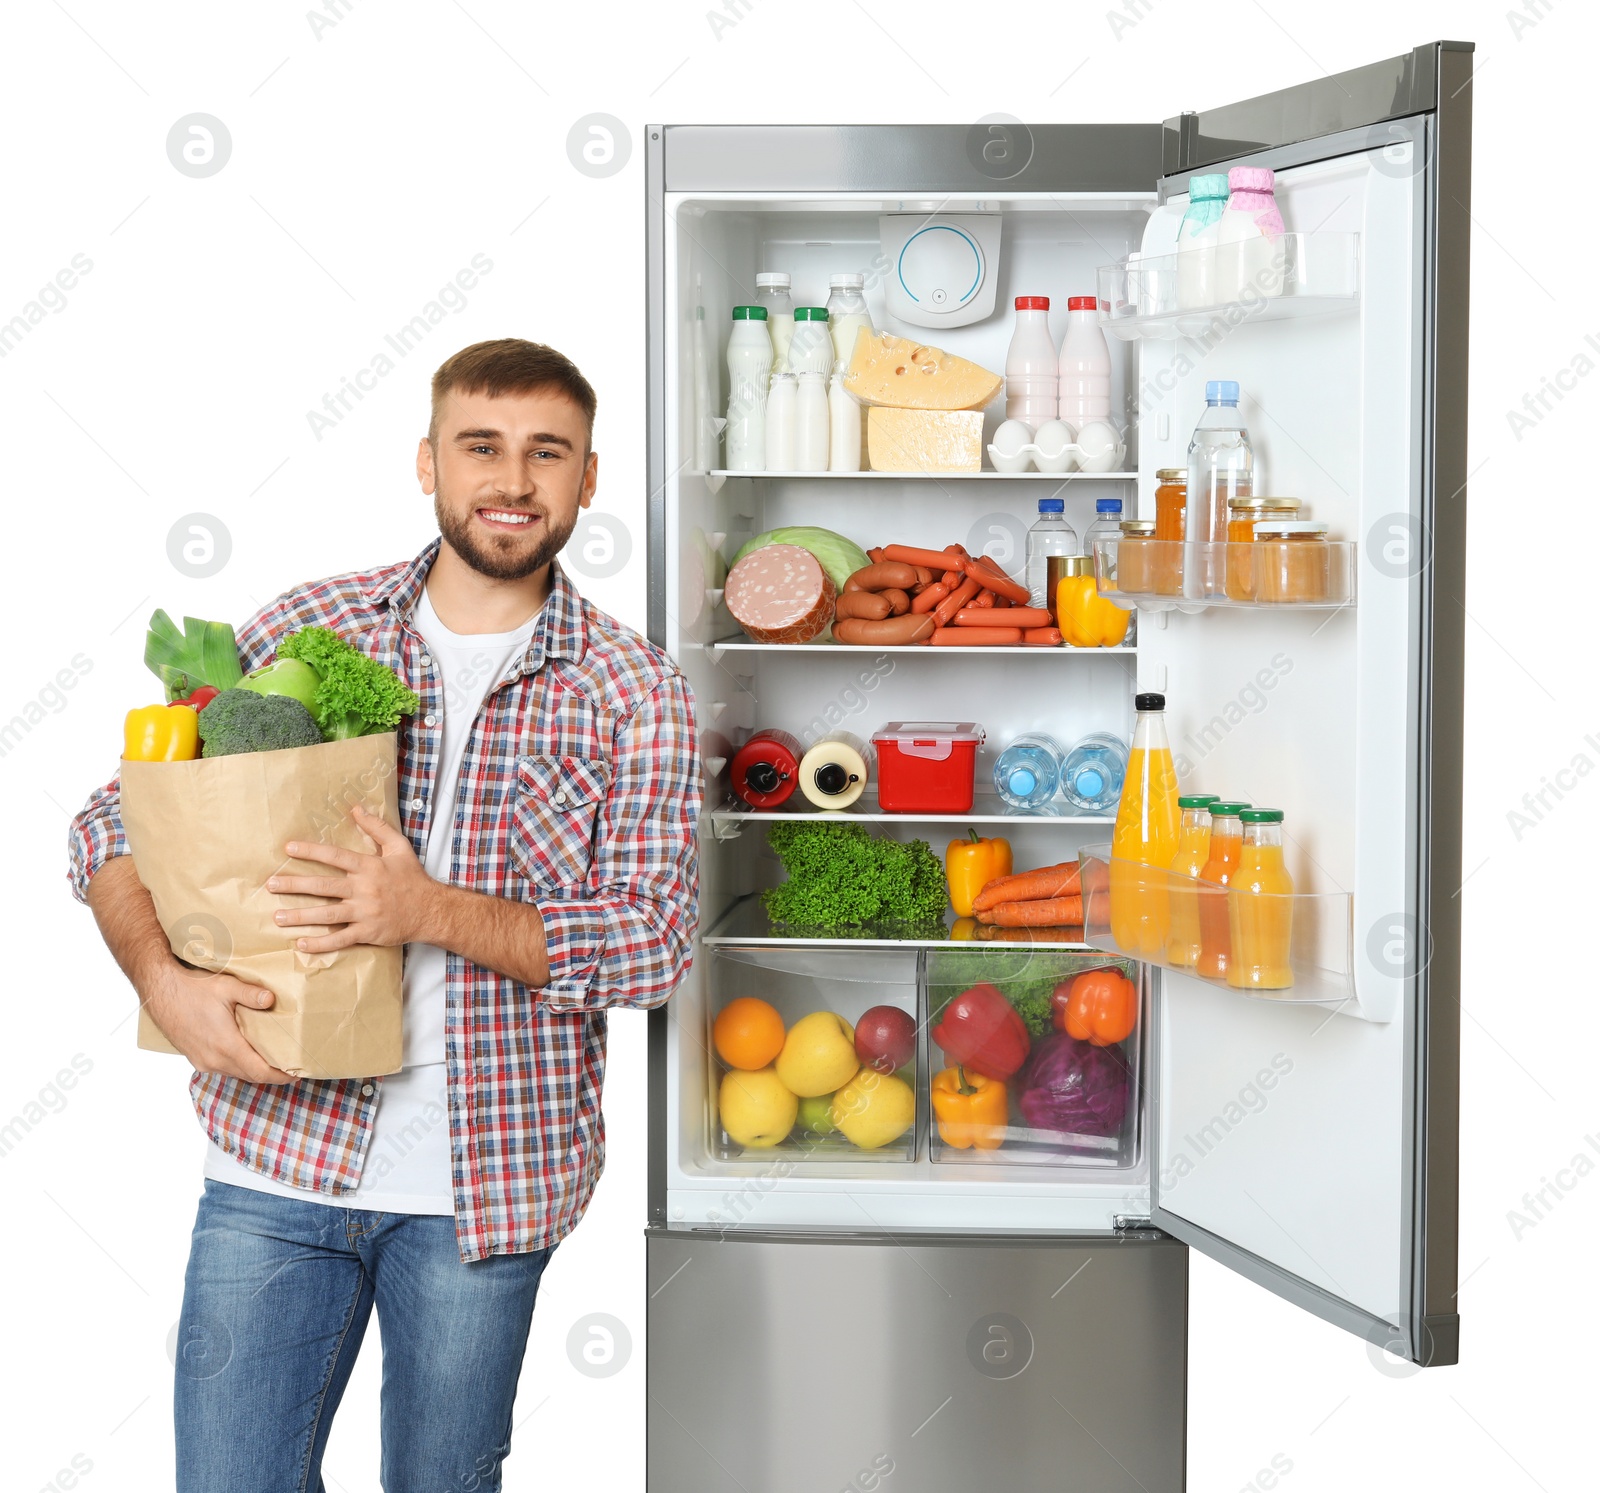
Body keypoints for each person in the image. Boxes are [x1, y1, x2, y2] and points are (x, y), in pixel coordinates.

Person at [66, 338, 700, 1492]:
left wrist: (426, 909)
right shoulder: (314, 628)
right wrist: (162, 980)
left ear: (588, 480)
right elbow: (113, 820)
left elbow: (654, 942)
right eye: (482, 446)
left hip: (488, 1188)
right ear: (428, 462)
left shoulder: (633, 686)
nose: (513, 479)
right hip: (275, 1163)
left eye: (546, 452)